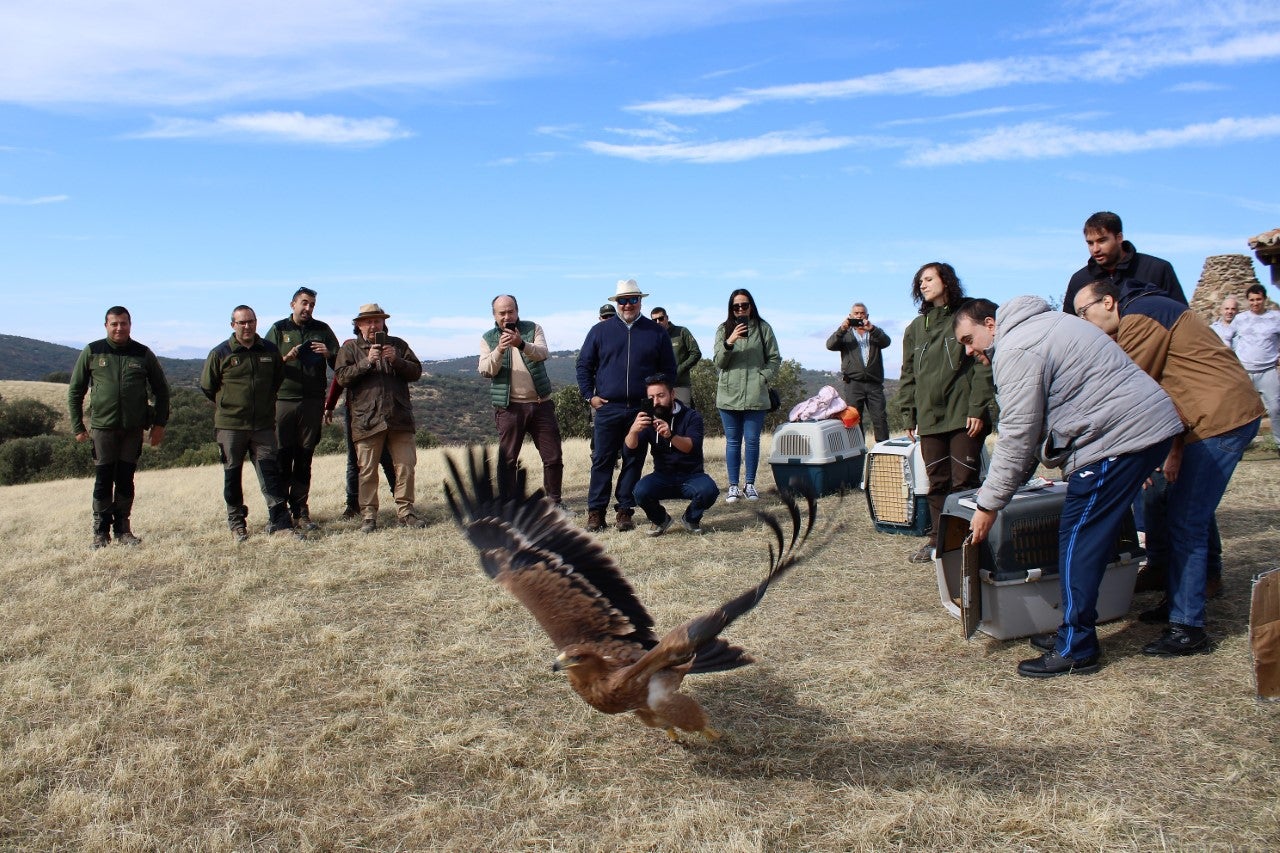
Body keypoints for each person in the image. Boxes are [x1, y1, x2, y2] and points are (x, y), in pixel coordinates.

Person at [952, 297, 1183, 678]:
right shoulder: (1047, 324)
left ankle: (1077, 645)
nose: (969, 349)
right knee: (1086, 534)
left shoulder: (1016, 347)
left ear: (990, 324)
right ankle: (1072, 627)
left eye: (968, 338)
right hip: (1140, 430)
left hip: (1116, 439)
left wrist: (989, 504)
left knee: (1077, 538)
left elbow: (1017, 435)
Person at [1074, 281, 1263, 655]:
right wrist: (1169, 450)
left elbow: (1125, 386)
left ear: (1107, 301)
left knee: (1186, 519)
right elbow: (1167, 385)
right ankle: (1182, 596)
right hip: (1201, 420)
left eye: (1083, 313)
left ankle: (1188, 627)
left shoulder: (1140, 319)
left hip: (1218, 420)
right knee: (1178, 509)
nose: (1083, 321)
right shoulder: (1147, 311)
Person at [897, 263, 995, 563]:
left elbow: (982, 365)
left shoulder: (965, 316)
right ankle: (939, 541)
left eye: (929, 279)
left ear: (946, 281)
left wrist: (978, 407)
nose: (923, 285)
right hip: (929, 416)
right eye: (920, 281)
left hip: (963, 414)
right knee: (936, 482)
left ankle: (970, 540)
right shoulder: (916, 328)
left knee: (963, 481)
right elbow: (908, 372)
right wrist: (908, 413)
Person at [576, 279, 677, 533]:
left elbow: (669, 370)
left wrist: (658, 402)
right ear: (616, 303)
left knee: (634, 459)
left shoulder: (656, 332)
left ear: (641, 301)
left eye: (633, 299)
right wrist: (590, 396)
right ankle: (596, 512)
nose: (628, 304)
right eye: (623, 300)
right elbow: (583, 365)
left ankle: (624, 510)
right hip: (608, 407)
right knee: (602, 459)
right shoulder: (599, 331)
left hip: (641, 409)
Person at [68, 306, 170, 549]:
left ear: (130, 325)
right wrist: (77, 426)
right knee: (103, 479)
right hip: (103, 428)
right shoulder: (93, 351)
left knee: (125, 479)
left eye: (123, 323)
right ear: (106, 326)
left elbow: (162, 390)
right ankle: (100, 533)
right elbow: (75, 390)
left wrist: (159, 424)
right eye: (114, 324)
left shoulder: (142, 353)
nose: (119, 328)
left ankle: (123, 530)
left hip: (133, 429)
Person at [200, 305, 297, 541]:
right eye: (242, 322)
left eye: (251, 321)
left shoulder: (269, 351)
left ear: (256, 322)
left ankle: (280, 523)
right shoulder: (221, 353)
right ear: (233, 325)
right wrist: (230, 405)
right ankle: (236, 523)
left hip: (262, 426)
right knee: (232, 475)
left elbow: (277, 379)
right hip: (231, 426)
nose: (247, 326)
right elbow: (207, 386)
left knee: (270, 473)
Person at [334, 303, 427, 532]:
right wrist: (367, 362)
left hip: (399, 417)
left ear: (384, 322)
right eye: (368, 321)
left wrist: (397, 360)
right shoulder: (350, 349)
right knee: (367, 470)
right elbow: (342, 378)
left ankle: (406, 512)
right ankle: (368, 515)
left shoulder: (398, 345)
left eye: (377, 320)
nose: (373, 325)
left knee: (405, 466)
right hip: (366, 419)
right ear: (358, 325)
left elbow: (416, 371)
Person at [479, 294, 566, 510]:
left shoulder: (533, 328)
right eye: (502, 313)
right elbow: (485, 370)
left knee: (553, 456)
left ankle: (554, 502)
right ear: (494, 315)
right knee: (508, 460)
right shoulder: (487, 338)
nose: (507, 316)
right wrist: (499, 349)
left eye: (510, 311)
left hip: (540, 404)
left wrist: (522, 344)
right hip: (508, 408)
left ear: (517, 311)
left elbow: (543, 353)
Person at [265, 286, 340, 530]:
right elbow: (265, 363)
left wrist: (328, 353)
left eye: (312, 305)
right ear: (293, 305)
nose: (308, 308)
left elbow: (340, 363)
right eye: (304, 303)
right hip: (284, 400)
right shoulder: (278, 329)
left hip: (312, 401)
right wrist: (286, 358)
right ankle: (281, 512)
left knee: (305, 456)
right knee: (282, 456)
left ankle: (302, 511)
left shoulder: (322, 329)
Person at [626, 375, 718, 535]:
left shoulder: (692, 417)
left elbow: (690, 446)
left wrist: (670, 435)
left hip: (692, 476)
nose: (656, 401)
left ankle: (691, 518)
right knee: (639, 491)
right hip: (662, 475)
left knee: (709, 490)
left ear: (672, 394)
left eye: (661, 396)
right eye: (651, 397)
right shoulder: (647, 419)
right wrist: (633, 431)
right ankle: (661, 520)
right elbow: (630, 447)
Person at [713, 289, 781, 504]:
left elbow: (774, 358)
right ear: (731, 308)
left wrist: (762, 376)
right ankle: (733, 486)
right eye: (736, 306)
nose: (741, 309)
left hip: (755, 394)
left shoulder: (763, 328)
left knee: (752, 441)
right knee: (733, 442)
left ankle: (750, 485)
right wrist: (729, 341)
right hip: (729, 394)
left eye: (744, 305)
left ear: (751, 305)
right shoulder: (723, 329)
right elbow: (718, 362)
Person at [1063, 211, 1186, 315]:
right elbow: (1070, 328)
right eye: (1090, 243)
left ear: (1119, 238)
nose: (1095, 249)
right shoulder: (1079, 281)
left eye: (1102, 241)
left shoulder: (1157, 269)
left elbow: (1182, 317)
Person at [323, 364, 395, 518]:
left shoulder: (385, 347)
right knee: (357, 458)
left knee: (385, 457)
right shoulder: (350, 347)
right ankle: (353, 504)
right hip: (357, 410)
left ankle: (402, 502)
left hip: (379, 409)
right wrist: (330, 404)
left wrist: (330, 405)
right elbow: (339, 378)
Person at [825, 301, 891, 443]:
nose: (859, 316)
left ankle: (883, 450)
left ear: (867, 315)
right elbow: (830, 345)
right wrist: (842, 329)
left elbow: (887, 342)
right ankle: (858, 450)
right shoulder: (845, 334)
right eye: (856, 313)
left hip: (874, 383)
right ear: (850, 316)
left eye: (862, 313)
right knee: (853, 418)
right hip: (853, 383)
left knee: (880, 418)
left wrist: (872, 328)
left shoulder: (875, 332)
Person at [1226, 284, 1280, 455]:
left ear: (1264, 299)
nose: (1255, 303)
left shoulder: (1275, 318)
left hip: (1268, 370)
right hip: (1245, 371)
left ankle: (1279, 444)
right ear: (1248, 301)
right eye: (1252, 300)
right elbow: (1227, 338)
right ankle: (1239, 447)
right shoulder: (1240, 319)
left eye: (1258, 299)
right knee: (1241, 411)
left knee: (1276, 408)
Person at [650, 307, 702, 407]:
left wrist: (679, 370)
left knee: (683, 417)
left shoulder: (682, 332)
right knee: (661, 418)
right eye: (654, 320)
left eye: (661, 318)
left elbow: (696, 353)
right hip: (660, 387)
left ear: (667, 318)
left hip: (680, 385)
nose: (658, 322)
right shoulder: (652, 337)